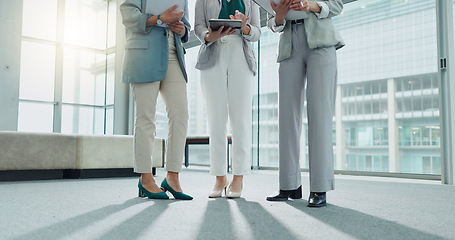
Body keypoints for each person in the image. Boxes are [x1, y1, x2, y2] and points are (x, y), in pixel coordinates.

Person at [265, 0, 344, 207]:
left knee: (320, 117)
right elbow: (272, 24)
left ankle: (320, 187)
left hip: (321, 42)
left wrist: (311, 5)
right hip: (289, 45)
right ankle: (289, 185)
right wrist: (280, 15)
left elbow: (336, 6)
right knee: (287, 118)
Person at [120, 0, 193, 200]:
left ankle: (172, 176)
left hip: (173, 54)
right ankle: (145, 178)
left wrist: (181, 29)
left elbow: (186, 26)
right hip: (143, 52)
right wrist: (160, 18)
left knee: (180, 115)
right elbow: (128, 15)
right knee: (146, 117)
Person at [194, 0, 261, 198]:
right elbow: (198, 26)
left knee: (240, 120)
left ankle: (238, 176)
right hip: (213, 54)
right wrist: (208, 35)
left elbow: (257, 32)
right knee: (216, 121)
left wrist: (245, 27)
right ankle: (219, 177)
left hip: (240, 54)